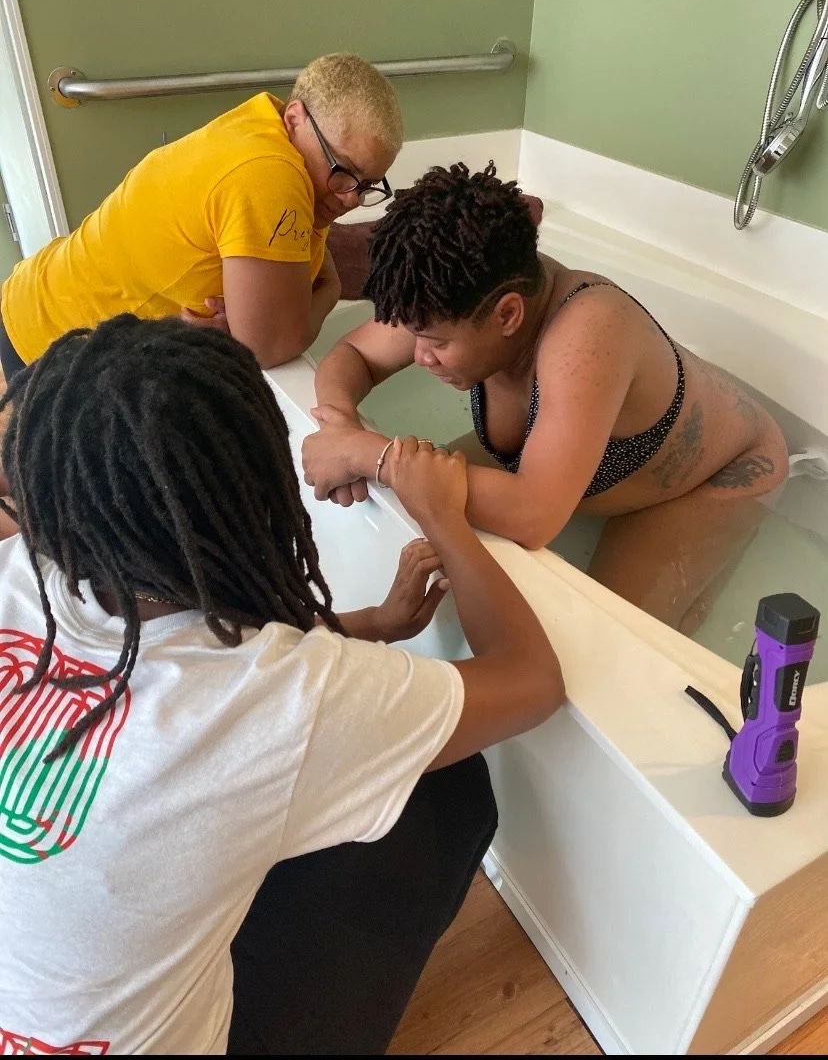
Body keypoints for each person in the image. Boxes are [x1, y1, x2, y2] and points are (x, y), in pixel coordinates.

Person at [0, 314, 563, 1055]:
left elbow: (200, 666)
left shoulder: (20, 579)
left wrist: (368, 624)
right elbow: (530, 681)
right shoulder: (275, 705)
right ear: (249, 488)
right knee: (445, 791)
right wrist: (442, 516)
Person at [302, 162, 789, 636]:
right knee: (426, 505)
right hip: (567, 466)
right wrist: (342, 425)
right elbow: (352, 355)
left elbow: (534, 516)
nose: (420, 355)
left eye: (437, 342)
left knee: (614, 644)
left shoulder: (589, 333)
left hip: (716, 475)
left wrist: (371, 454)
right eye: (414, 336)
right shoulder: (451, 287)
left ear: (508, 314)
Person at [0, 52, 402, 379]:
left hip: (38, 302)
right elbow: (267, 348)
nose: (351, 199)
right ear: (295, 117)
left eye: (368, 184)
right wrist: (328, 293)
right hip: (43, 346)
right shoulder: (269, 175)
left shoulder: (263, 125)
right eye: (343, 170)